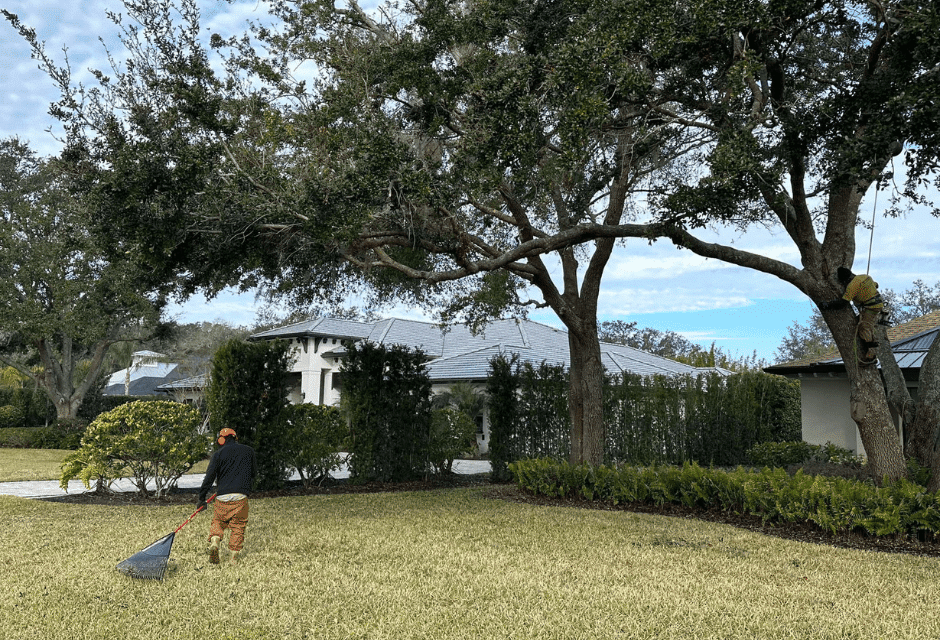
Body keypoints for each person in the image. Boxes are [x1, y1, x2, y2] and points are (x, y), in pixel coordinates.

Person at [197, 427, 257, 564]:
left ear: (221, 440)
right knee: (238, 526)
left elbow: (209, 478)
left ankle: (215, 541)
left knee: (218, 521)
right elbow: (253, 473)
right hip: (240, 497)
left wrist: (202, 498)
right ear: (236, 438)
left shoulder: (218, 454)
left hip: (222, 497)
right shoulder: (249, 451)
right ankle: (233, 559)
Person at [820, 267, 886, 364]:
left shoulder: (852, 286)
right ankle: (871, 347)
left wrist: (828, 305)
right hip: (877, 304)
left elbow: (843, 303)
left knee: (864, 328)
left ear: (846, 280)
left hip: (871, 308)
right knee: (862, 323)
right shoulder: (865, 276)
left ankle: (871, 355)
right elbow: (876, 285)